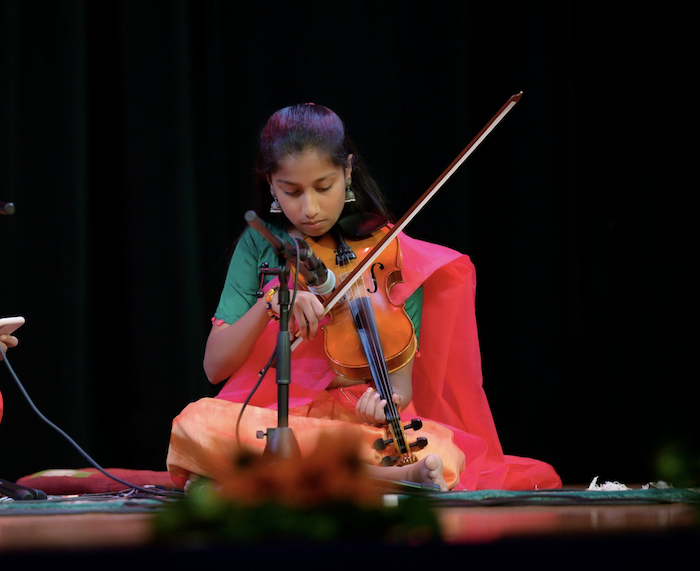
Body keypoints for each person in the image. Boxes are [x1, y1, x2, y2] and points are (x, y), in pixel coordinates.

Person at [166, 103, 562, 492]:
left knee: (443, 448)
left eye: (324, 187)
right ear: (271, 184)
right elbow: (215, 367)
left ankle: (278, 479)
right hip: (273, 416)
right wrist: (273, 301)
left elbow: (400, 385)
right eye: (292, 191)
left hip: (359, 424)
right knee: (195, 423)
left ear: (348, 171)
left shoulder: (389, 253)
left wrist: (386, 404)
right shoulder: (259, 245)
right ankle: (380, 480)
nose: (310, 208)